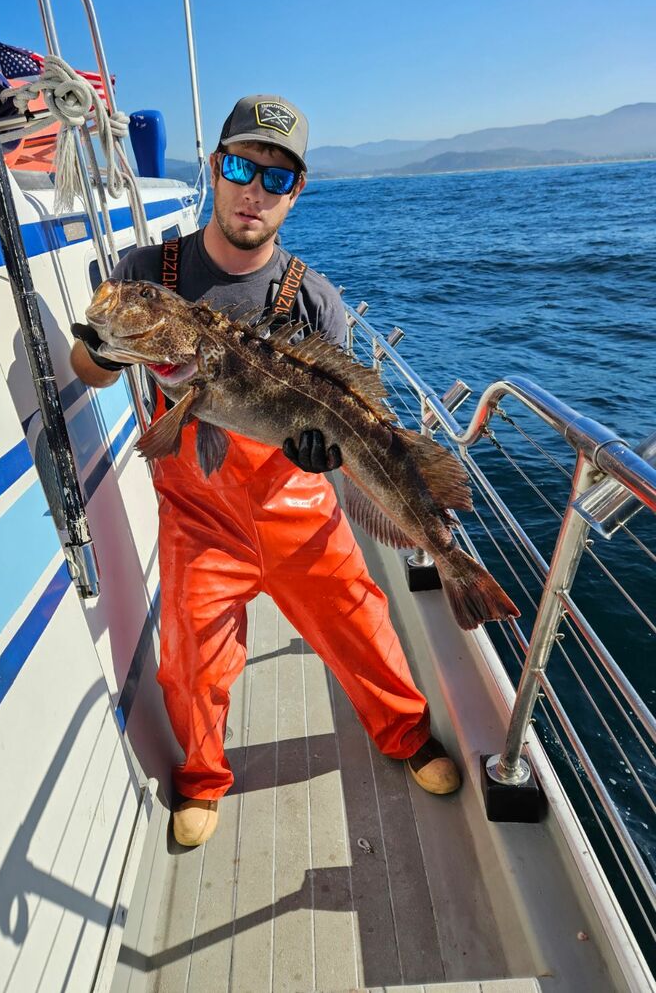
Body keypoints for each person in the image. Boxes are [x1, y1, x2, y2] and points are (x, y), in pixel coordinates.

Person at [70, 95, 460, 848]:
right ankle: (203, 776)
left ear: (297, 192)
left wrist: (329, 454)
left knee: (362, 623)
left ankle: (406, 732)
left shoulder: (314, 300)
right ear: (215, 169)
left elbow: (353, 405)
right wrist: (113, 350)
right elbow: (90, 368)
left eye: (276, 178)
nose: (255, 190)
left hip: (299, 505)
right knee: (190, 657)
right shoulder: (150, 273)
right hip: (199, 517)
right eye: (243, 167)